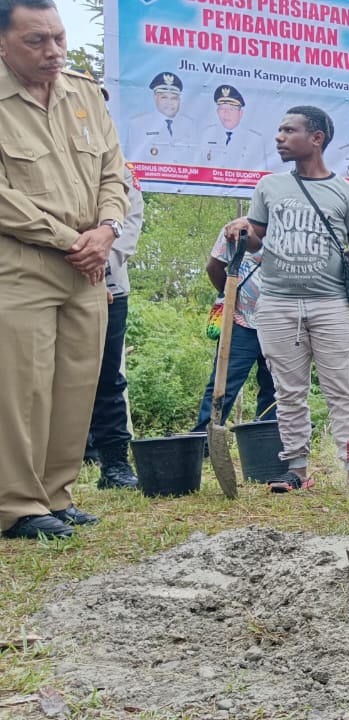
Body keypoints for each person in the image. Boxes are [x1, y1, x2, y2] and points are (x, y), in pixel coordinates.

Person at [0, 0, 129, 539]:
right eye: (37, 41)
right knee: (23, 387)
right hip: (22, 263)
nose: (53, 52)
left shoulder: (82, 94)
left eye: (58, 38)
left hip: (89, 264)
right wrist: (67, 237)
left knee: (76, 382)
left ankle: (56, 494)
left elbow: (113, 171)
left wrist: (107, 229)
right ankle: (17, 504)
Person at [223, 106, 349, 492]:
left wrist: (317, 261)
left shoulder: (347, 194)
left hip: (331, 304)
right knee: (288, 392)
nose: (279, 137)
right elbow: (256, 238)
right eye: (279, 129)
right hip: (276, 304)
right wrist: (242, 229)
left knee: (342, 388)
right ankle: (297, 471)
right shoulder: (269, 187)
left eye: (289, 130)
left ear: (317, 137)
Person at [84, 166, 144, 489]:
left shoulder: (121, 171)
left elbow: (130, 222)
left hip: (111, 287)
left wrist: (100, 266)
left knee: (109, 378)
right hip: (54, 278)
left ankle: (115, 464)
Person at [191, 226, 277, 433]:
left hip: (279, 324)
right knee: (223, 385)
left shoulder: (290, 230)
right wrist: (232, 300)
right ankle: (204, 438)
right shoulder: (235, 230)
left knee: (274, 388)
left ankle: (266, 438)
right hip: (241, 322)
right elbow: (214, 267)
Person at [127, 71, 197, 164]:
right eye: (164, 97)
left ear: (179, 100)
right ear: (155, 98)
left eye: (174, 98)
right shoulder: (138, 123)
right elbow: (129, 158)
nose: (169, 102)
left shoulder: (190, 124)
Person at [198, 84, 268, 169]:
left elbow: (261, 171)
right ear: (217, 112)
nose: (226, 113)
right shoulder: (207, 133)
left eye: (231, 109)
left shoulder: (255, 139)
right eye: (222, 109)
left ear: (240, 113)